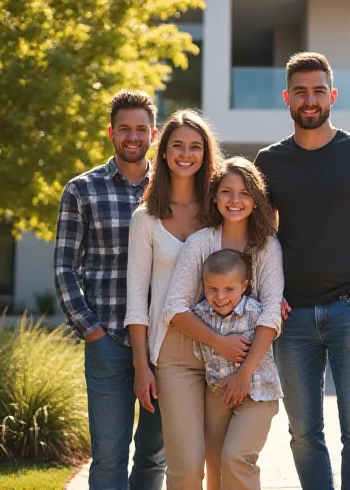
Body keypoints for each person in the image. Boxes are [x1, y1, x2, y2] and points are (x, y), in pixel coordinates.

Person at [254, 52, 350, 490]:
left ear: (332, 95)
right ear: (287, 97)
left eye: (319, 90)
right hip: (292, 317)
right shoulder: (270, 161)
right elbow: (261, 237)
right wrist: (268, 294)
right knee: (303, 433)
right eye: (300, 91)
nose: (310, 99)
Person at [54, 89, 165, 490]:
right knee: (108, 455)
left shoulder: (173, 189)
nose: (132, 137)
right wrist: (91, 331)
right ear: (111, 133)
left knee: (154, 457)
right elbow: (65, 268)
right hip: (108, 342)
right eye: (124, 129)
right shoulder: (81, 190)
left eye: (140, 129)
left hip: (164, 344)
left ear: (153, 134)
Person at [159, 157, 284, 490]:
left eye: (244, 193)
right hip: (212, 372)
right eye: (226, 192)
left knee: (236, 458)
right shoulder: (201, 242)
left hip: (253, 375)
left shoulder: (267, 246)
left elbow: (272, 310)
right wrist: (221, 344)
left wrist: (244, 372)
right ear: (214, 197)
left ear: (256, 199)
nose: (234, 200)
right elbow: (175, 307)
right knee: (213, 468)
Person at [124, 109, 222, 449]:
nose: (185, 154)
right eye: (177, 145)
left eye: (195, 147)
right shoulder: (145, 218)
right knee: (177, 456)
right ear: (163, 152)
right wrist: (141, 366)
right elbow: (137, 299)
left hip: (222, 343)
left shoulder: (220, 210)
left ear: (205, 154)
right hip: (168, 348)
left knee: (219, 453)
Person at [192, 248, 282, 490]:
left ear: (244, 286)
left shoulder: (257, 312)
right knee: (215, 468)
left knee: (236, 458)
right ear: (204, 286)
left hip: (258, 394)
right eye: (212, 289)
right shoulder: (199, 315)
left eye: (229, 289)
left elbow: (274, 321)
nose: (220, 297)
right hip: (218, 394)